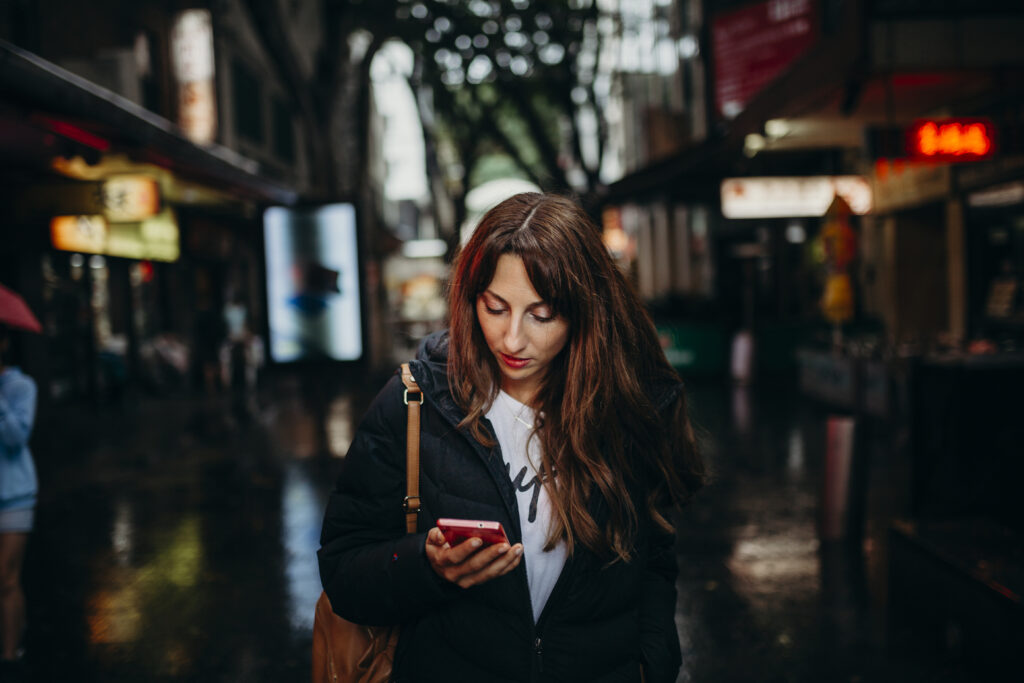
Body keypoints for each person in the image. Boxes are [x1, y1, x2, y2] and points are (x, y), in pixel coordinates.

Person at [318, 192, 706, 682]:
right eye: (495, 307)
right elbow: (343, 568)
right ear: (470, 298)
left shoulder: (628, 410)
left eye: (541, 315)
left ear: (587, 311)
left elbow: (653, 562)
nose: (512, 339)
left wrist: (653, 664)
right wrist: (427, 566)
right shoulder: (414, 402)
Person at [0, 325, 37, 672]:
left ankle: (10, 658)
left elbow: (16, 437)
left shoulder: (21, 387)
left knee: (7, 578)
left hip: (14, 495)